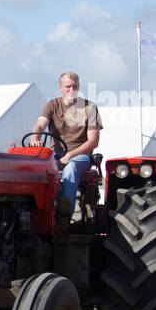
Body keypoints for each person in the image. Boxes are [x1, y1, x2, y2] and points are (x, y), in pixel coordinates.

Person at [32, 71, 102, 219]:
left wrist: (71, 154)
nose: (71, 90)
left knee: (71, 168)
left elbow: (93, 141)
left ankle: (63, 215)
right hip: (55, 156)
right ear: (60, 88)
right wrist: (35, 139)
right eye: (68, 86)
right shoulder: (52, 105)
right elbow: (39, 125)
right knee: (34, 170)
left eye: (74, 86)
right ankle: (35, 213)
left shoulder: (89, 108)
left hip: (80, 157)